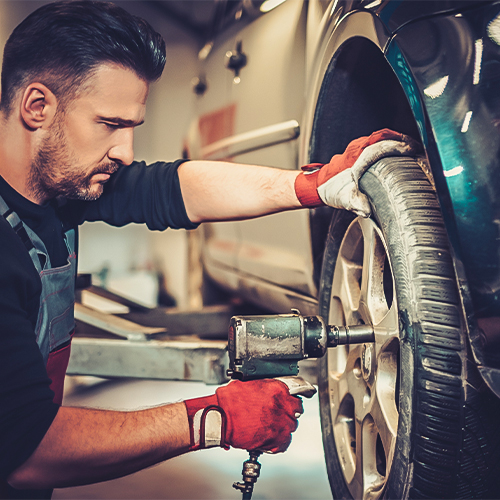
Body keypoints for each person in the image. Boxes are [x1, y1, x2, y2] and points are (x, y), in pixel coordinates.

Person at [0, 1, 420, 498]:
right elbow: (29, 453)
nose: (125, 151)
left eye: (132, 127)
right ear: (37, 107)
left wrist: (310, 185)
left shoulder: (55, 189)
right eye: (110, 125)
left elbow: (172, 188)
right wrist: (215, 419)